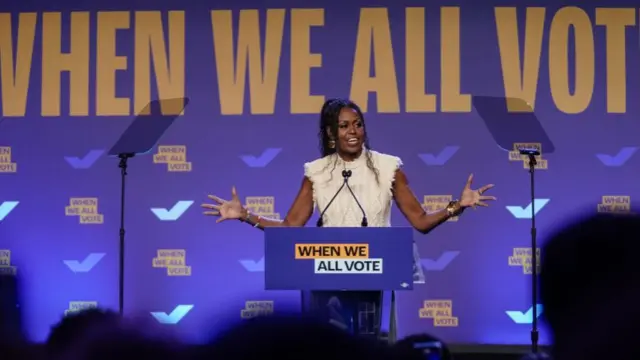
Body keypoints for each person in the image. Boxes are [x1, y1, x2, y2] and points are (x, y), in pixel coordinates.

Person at [201, 98, 496, 335]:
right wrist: (245, 215)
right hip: (325, 274)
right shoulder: (316, 173)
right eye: (344, 126)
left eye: (358, 124)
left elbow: (420, 221)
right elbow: (291, 226)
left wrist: (458, 206)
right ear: (331, 133)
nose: (353, 131)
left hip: (373, 271)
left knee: (366, 346)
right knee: (330, 347)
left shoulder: (388, 168)